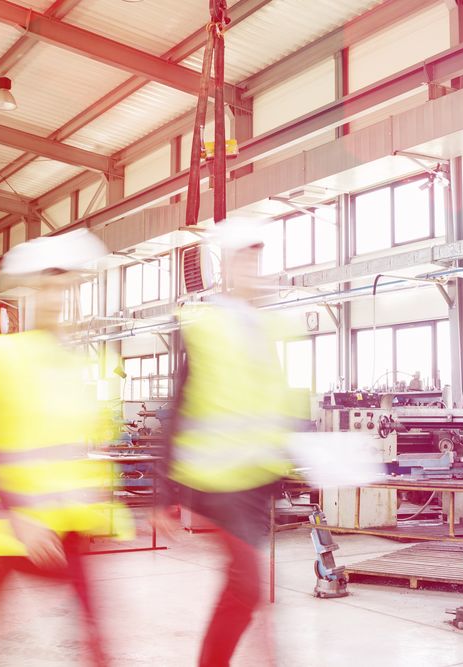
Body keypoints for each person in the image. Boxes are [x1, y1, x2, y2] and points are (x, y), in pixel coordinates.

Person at [0, 229, 131, 666]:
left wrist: (99, 506)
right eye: (47, 287)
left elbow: (71, 448)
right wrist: (19, 517)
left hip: (63, 522)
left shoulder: (72, 363)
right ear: (30, 294)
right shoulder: (1, 358)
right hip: (13, 526)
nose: (56, 298)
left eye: (64, 288)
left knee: (91, 628)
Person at [164, 219, 296, 667]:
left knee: (246, 589)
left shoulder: (263, 329)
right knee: (247, 587)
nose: (253, 269)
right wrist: (165, 496)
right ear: (226, 266)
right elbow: (178, 407)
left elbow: (267, 407)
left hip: (255, 481)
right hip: (217, 483)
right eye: (244, 260)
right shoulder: (206, 325)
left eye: (257, 260)